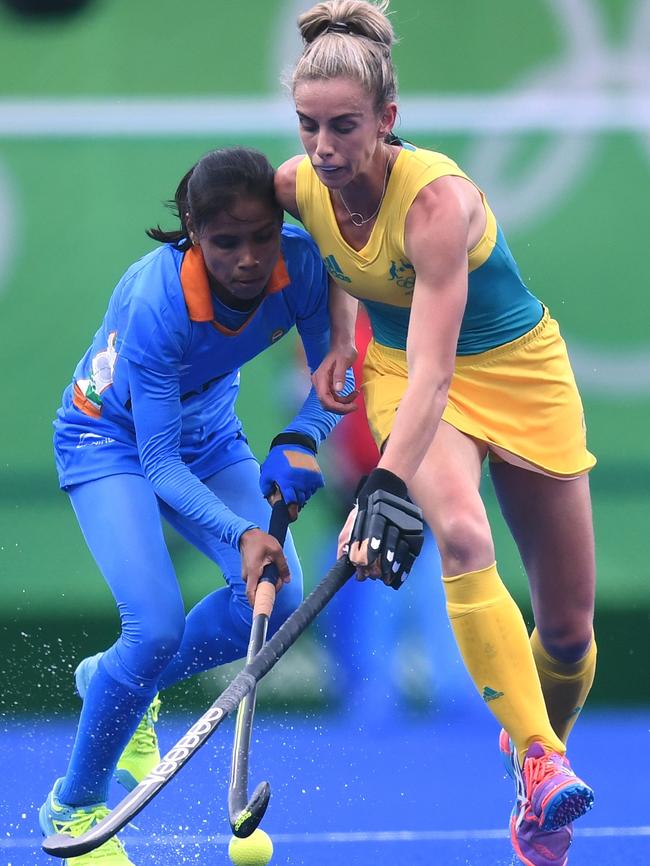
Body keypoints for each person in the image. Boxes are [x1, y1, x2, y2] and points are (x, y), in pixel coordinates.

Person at [275, 2, 598, 864]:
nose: (323, 148)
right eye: (308, 126)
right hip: (403, 375)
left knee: (567, 632)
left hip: (512, 371)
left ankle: (534, 743)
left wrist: (381, 482)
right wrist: (340, 337)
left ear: (387, 118)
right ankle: (538, 761)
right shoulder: (296, 184)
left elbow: (440, 368)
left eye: (344, 126)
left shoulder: (438, 205)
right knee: (459, 531)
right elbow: (321, 257)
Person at [38, 146, 354, 866]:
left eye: (261, 236)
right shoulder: (156, 303)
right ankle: (76, 804)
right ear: (190, 231)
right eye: (225, 242)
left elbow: (335, 374)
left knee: (279, 599)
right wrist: (243, 531)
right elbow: (157, 464)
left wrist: (304, 437)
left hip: (209, 434)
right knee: (150, 630)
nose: (248, 258)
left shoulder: (301, 264)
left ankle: (122, 685)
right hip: (108, 440)